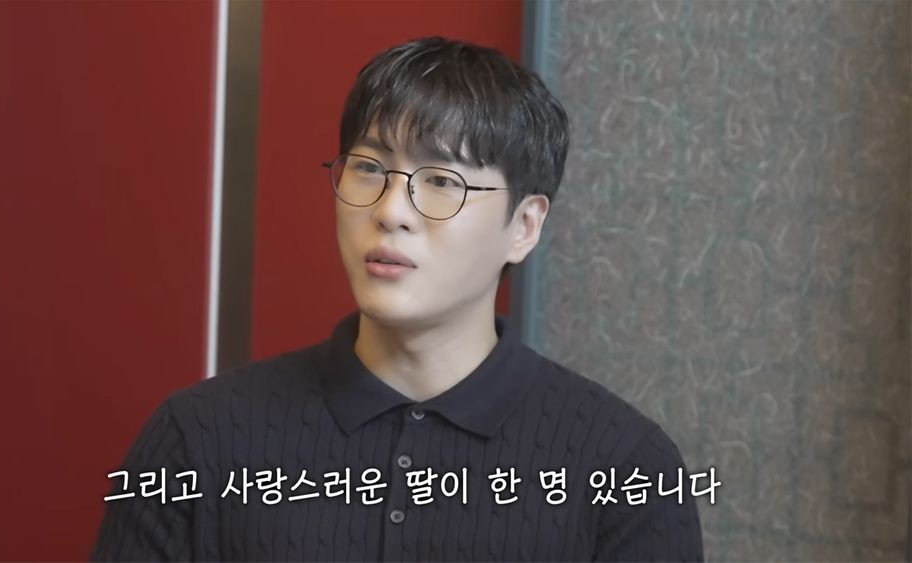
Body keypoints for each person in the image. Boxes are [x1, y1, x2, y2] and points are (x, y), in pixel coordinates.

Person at [90, 36, 704, 561]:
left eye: (440, 180)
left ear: (524, 225)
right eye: (369, 168)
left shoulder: (628, 471)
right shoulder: (195, 439)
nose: (391, 211)